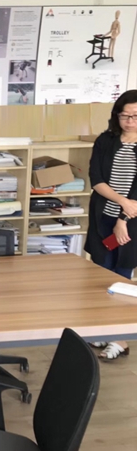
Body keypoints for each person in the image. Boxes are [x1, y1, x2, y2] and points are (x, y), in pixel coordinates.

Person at [85, 89, 137, 361]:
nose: (129, 121)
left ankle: (120, 339)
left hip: (132, 223)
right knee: (101, 275)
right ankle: (103, 329)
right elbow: (96, 178)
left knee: (122, 278)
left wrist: (123, 219)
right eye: (124, 115)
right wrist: (121, 203)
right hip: (103, 216)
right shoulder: (106, 141)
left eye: (135, 116)